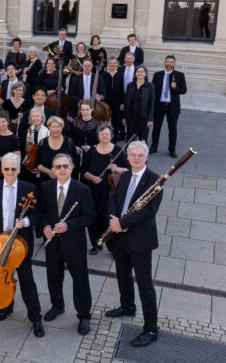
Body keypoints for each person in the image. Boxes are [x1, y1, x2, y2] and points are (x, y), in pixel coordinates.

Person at [104, 140, 162, 347]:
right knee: (122, 274)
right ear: (127, 157)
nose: (136, 158)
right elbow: (114, 198)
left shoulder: (155, 180)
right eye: (133, 155)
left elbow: (149, 211)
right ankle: (127, 306)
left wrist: (123, 222)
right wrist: (113, 220)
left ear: (146, 157)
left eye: (140, 155)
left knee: (145, 284)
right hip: (121, 236)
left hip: (140, 239)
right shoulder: (126, 175)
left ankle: (151, 329)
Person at [0, 153, 44, 337]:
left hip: (21, 243)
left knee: (26, 279)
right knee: (2, 277)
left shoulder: (29, 188)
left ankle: (36, 317)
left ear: (19, 169)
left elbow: (37, 214)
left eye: (13, 169)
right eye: (6, 169)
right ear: (1, 169)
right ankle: (7, 306)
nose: (9, 172)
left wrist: (24, 222)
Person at [38, 153, 96, 334]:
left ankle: (84, 315)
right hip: (52, 242)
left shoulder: (82, 189)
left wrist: (69, 225)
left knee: (80, 279)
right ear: (53, 170)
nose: (62, 169)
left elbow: (89, 216)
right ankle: (57, 305)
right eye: (58, 167)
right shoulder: (46, 187)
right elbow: (40, 211)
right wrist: (45, 225)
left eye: (65, 166)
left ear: (72, 168)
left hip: (74, 242)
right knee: (53, 275)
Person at [82, 125, 128, 255]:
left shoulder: (118, 150)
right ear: (98, 136)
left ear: (111, 135)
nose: (104, 136)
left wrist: (117, 169)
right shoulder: (92, 151)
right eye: (102, 134)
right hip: (93, 189)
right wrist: (93, 178)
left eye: (107, 134)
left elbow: (128, 169)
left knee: (109, 219)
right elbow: (83, 171)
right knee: (93, 219)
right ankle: (96, 244)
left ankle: (112, 247)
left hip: (111, 191)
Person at [151, 55, 187, 158]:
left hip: (172, 106)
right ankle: (154, 146)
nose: (169, 63)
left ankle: (172, 149)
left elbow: (184, 90)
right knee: (156, 127)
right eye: (167, 61)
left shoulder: (180, 75)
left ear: (174, 64)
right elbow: (153, 90)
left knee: (172, 129)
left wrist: (176, 88)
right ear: (164, 63)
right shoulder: (157, 75)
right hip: (159, 105)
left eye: (171, 62)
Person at [36, 116, 80, 184]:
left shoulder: (69, 142)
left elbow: (75, 161)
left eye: (58, 126)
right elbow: (37, 163)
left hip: (65, 180)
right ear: (49, 127)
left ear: (62, 128)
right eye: (53, 127)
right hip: (46, 181)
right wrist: (49, 172)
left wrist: (64, 173)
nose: (55, 129)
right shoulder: (42, 143)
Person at [72, 99, 106, 173]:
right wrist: (74, 147)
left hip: (93, 155)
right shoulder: (75, 122)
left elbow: (103, 142)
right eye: (83, 110)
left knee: (87, 176)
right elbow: (70, 139)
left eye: (87, 109)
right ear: (80, 110)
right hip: (76, 154)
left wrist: (91, 148)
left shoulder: (98, 124)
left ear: (92, 109)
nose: (85, 112)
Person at [123, 66, 155, 142]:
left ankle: (142, 154)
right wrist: (124, 117)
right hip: (131, 117)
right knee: (130, 139)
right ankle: (129, 153)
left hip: (144, 118)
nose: (139, 73)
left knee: (143, 139)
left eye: (142, 72)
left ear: (145, 74)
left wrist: (150, 119)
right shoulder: (130, 85)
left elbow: (152, 104)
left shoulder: (150, 86)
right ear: (135, 74)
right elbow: (126, 102)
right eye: (137, 71)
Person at [103, 58, 125, 142]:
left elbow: (122, 89)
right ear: (108, 64)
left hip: (117, 102)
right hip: (106, 102)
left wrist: (122, 103)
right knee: (104, 121)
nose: (112, 64)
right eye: (110, 63)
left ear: (116, 64)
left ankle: (114, 139)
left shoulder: (119, 75)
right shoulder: (104, 74)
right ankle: (104, 138)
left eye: (114, 63)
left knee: (116, 122)